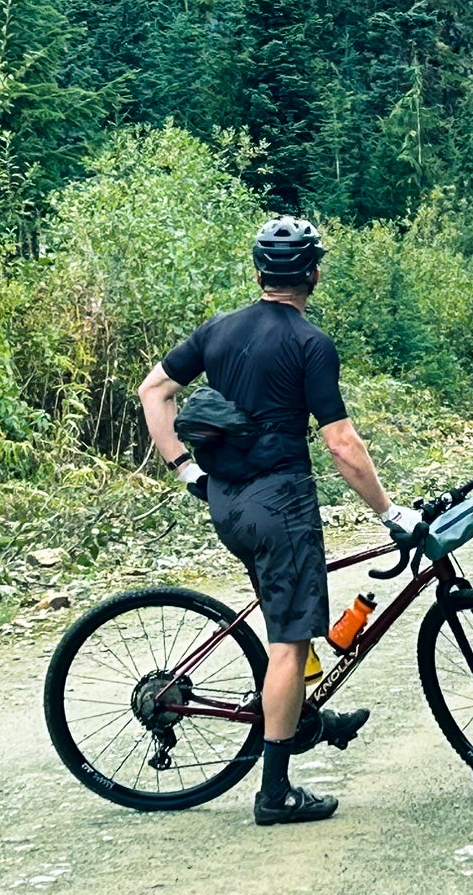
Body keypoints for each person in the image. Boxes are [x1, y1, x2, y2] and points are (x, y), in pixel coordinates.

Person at [137, 216, 423, 827]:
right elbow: (341, 443)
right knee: (289, 641)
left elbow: (153, 392)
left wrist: (186, 470)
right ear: (313, 273)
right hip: (280, 505)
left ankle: (305, 721)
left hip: (226, 501)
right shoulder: (310, 343)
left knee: (289, 615)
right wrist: (390, 511)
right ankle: (275, 795)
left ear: (260, 272)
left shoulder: (218, 329)